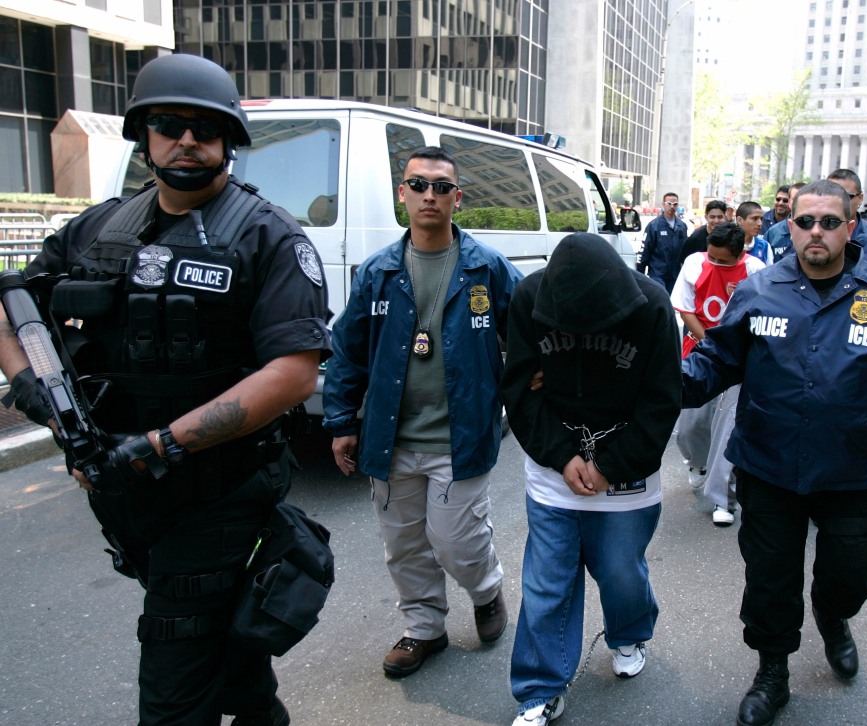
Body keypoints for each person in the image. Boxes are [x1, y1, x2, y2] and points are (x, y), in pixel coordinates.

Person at [0, 54, 331, 725]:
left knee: (175, 687)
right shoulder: (97, 230)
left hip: (218, 493)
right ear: (143, 135)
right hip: (124, 494)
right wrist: (31, 386)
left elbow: (296, 370)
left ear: (229, 141)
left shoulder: (267, 236)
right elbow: (13, 304)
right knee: (226, 655)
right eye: (170, 125)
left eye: (205, 128)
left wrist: (161, 445)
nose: (187, 140)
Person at [680, 180, 867, 726]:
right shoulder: (758, 291)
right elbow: (715, 362)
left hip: (855, 474)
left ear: (849, 228)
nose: (816, 231)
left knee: (847, 578)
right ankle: (772, 671)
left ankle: (835, 618)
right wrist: (655, 381)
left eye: (829, 222)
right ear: (790, 227)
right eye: (806, 221)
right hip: (768, 468)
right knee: (770, 580)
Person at [322, 146, 522, 677]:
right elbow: (348, 349)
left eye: (440, 187)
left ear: (458, 198)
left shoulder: (487, 267)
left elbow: (527, 332)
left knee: (457, 540)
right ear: (402, 194)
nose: (428, 195)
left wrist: (532, 384)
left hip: (461, 436)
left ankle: (485, 591)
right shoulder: (377, 272)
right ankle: (423, 629)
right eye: (418, 185)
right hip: (391, 439)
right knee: (404, 544)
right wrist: (341, 423)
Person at [500, 232, 681, 726]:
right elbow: (518, 388)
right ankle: (540, 687)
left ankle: (628, 633)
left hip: (625, 466)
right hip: (553, 465)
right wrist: (561, 457)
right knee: (547, 582)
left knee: (621, 572)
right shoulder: (528, 297)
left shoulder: (652, 304)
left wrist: (610, 465)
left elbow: (663, 400)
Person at [671, 222, 765, 525]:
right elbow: (685, 309)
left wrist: (729, 350)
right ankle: (697, 463)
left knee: (727, 430)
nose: (714, 263)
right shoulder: (694, 263)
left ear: (740, 255)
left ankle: (724, 499)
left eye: (723, 260)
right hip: (698, 353)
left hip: (737, 363)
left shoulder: (756, 271)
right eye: (712, 256)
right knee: (691, 427)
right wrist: (709, 343)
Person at [637, 192, 688, 292]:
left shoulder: (682, 226)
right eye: (669, 204)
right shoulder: (654, 226)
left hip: (675, 275)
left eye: (675, 204)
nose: (672, 207)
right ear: (663, 204)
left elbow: (685, 251)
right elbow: (644, 250)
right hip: (657, 274)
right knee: (660, 300)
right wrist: (640, 274)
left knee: (672, 304)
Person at [679, 199, 728, 264]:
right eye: (712, 217)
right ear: (706, 217)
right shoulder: (695, 238)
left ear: (725, 217)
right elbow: (684, 262)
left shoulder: (730, 236)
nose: (716, 221)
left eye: (720, 217)